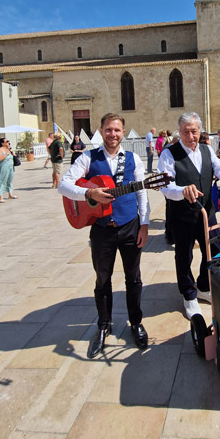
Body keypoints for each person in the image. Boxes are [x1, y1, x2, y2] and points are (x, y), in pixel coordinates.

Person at [58, 113, 150, 356]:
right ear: (101, 130)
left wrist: (144, 224)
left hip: (130, 225)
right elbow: (63, 185)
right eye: (109, 129)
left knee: (134, 277)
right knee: (102, 279)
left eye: (117, 130)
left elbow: (142, 193)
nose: (113, 134)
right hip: (101, 229)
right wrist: (90, 194)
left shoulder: (133, 159)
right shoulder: (88, 157)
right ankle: (103, 325)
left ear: (123, 132)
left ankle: (136, 322)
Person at [157, 112, 220, 319]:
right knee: (184, 255)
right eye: (186, 132)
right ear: (180, 133)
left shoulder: (207, 150)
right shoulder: (169, 154)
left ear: (200, 131)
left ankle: (202, 285)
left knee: (214, 250)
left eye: (194, 131)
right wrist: (181, 191)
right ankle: (188, 294)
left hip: (207, 213)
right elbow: (165, 185)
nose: (191, 136)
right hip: (182, 215)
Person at [0, 138, 18, 202]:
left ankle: (10, 194)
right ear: (2, 143)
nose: (8, 142)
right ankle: (0, 196)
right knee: (2, 180)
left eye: (8, 141)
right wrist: (6, 154)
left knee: (10, 180)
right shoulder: (0, 150)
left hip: (11, 166)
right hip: (4, 167)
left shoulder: (8, 149)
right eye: (6, 141)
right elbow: (0, 158)